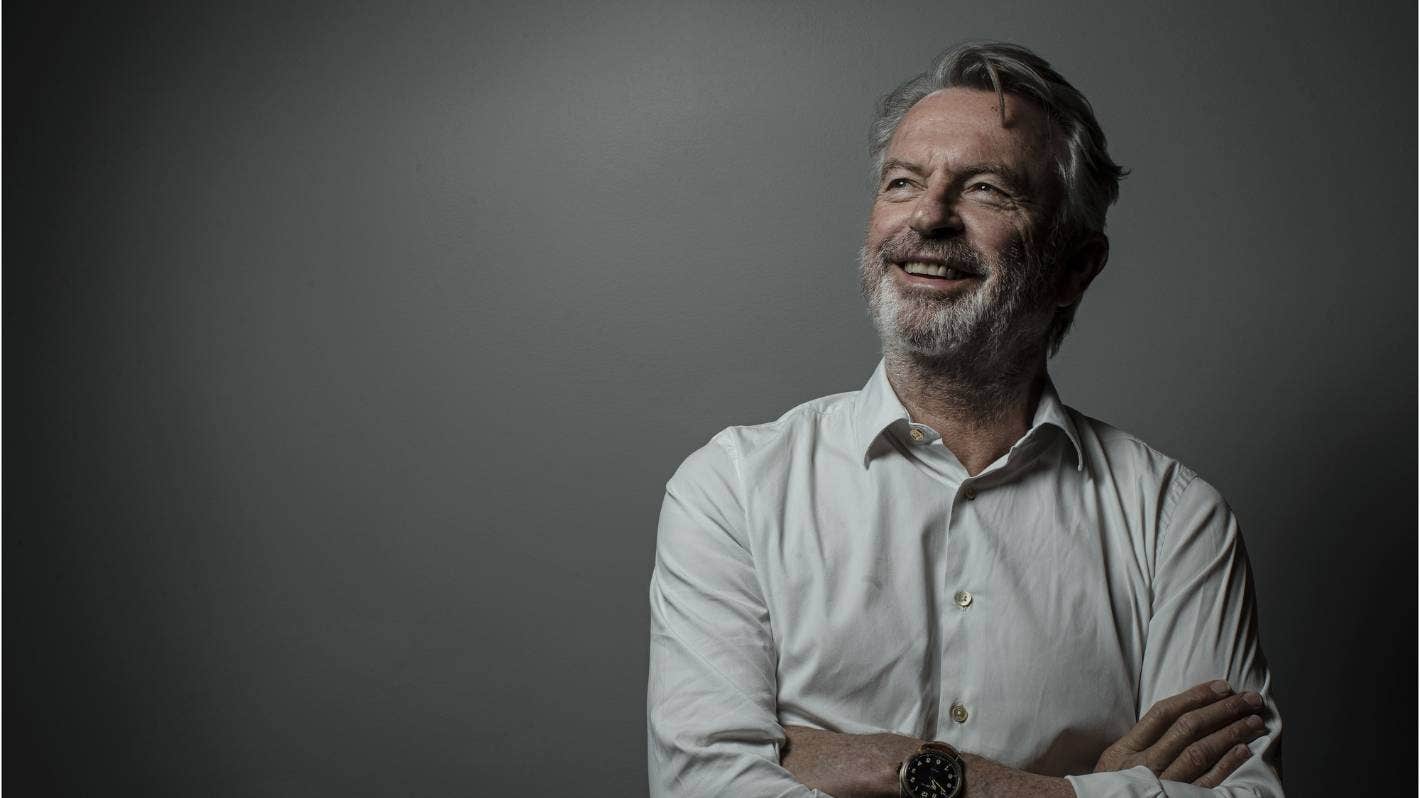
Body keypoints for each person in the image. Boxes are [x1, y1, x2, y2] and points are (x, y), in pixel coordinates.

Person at [646, 41, 1282, 798]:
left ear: (1076, 266)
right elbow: (704, 787)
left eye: (986, 190)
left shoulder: (1175, 523)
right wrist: (1089, 790)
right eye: (903, 182)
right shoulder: (734, 490)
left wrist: (905, 769)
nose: (929, 216)